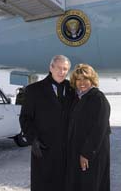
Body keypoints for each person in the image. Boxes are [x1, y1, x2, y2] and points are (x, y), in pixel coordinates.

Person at [19, 55, 74, 191]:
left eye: (65, 69)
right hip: (44, 149)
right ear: (51, 68)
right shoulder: (33, 90)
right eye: (59, 68)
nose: (62, 72)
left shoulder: (72, 89)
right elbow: (25, 118)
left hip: (67, 151)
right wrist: (33, 140)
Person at [66, 63, 111, 191]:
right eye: (78, 79)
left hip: (93, 153)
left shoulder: (98, 98)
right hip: (79, 150)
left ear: (92, 80)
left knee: (91, 184)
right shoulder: (78, 98)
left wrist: (86, 154)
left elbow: (99, 129)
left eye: (86, 79)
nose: (82, 83)